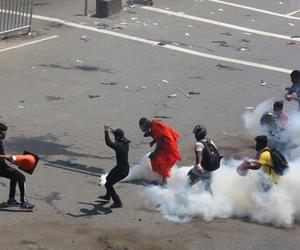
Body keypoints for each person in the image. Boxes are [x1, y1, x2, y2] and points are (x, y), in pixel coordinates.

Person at [0, 123, 34, 209]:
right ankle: (23, 202)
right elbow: (2, 156)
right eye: (4, 133)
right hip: (1, 168)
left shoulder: (0, 141)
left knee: (14, 177)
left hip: (2, 166)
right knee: (21, 177)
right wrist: (10, 157)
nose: (5, 135)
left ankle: (11, 200)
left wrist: (15, 161)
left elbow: (3, 155)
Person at [139, 118, 181, 185]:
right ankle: (159, 177)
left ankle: (164, 181)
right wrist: (152, 139)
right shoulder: (153, 123)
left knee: (162, 162)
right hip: (167, 144)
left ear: (146, 124)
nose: (143, 130)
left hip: (168, 145)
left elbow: (160, 140)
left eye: (143, 128)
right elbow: (161, 135)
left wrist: (155, 153)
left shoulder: (154, 127)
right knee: (155, 159)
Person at [99, 125, 130, 208]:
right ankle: (107, 196)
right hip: (123, 168)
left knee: (108, 184)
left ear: (117, 138)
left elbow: (108, 142)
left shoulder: (118, 146)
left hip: (122, 171)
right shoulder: (125, 142)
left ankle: (118, 202)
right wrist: (113, 132)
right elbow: (119, 137)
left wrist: (106, 131)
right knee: (108, 178)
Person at [187, 125, 220, 194]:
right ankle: (211, 202)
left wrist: (198, 165)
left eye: (195, 134)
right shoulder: (210, 141)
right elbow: (216, 152)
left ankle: (185, 197)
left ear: (198, 135)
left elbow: (199, 154)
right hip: (209, 171)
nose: (195, 136)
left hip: (200, 171)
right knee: (208, 189)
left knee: (188, 185)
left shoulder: (198, 144)